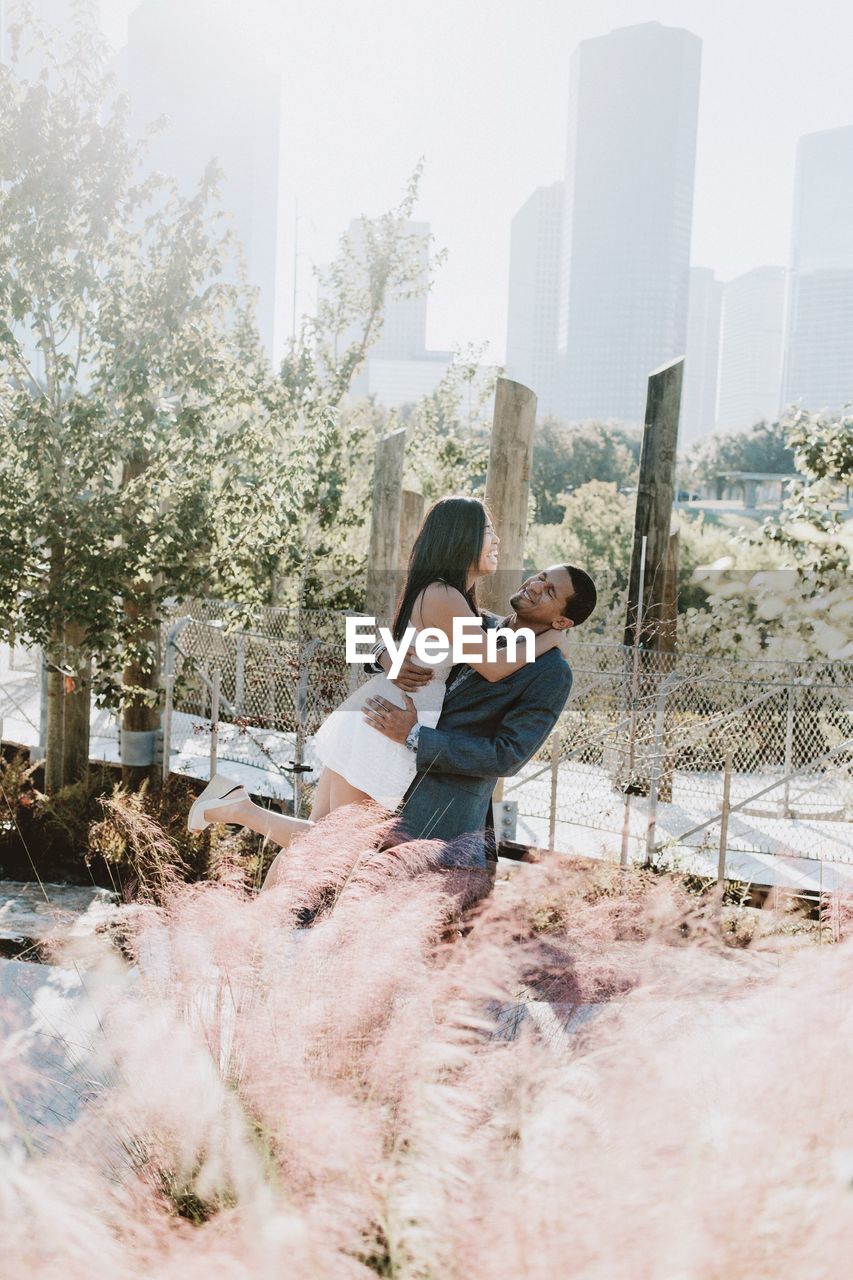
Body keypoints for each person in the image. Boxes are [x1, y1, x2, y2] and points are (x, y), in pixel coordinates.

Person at [186, 498, 570, 854]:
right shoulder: (445, 596)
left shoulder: (459, 603)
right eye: (488, 530)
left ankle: (238, 813)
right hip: (385, 722)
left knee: (321, 835)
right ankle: (237, 807)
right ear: (462, 538)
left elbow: (409, 642)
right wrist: (553, 636)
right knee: (337, 847)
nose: (497, 538)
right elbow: (493, 665)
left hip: (379, 713)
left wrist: (388, 655)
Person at [362, 564, 597, 863]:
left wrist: (415, 737)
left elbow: (506, 755)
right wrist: (385, 656)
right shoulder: (476, 621)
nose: (536, 585)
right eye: (541, 577)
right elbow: (379, 641)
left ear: (562, 621)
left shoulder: (552, 672)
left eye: (550, 591)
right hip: (378, 787)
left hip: (441, 821)